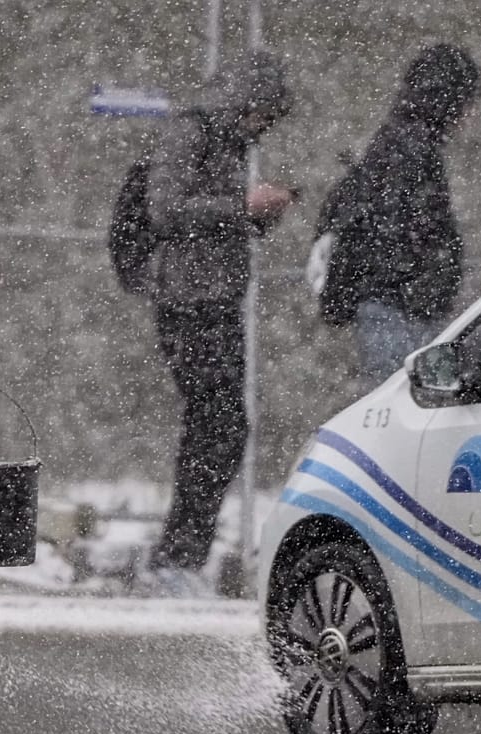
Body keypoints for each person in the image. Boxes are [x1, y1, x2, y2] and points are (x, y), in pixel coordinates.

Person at [140, 51, 295, 595]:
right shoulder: (192, 132)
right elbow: (164, 209)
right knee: (220, 425)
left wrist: (255, 216)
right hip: (190, 303)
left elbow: (203, 217)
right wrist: (241, 205)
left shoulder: (224, 143)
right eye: (260, 116)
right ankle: (176, 558)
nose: (261, 129)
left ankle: (180, 554)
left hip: (214, 300)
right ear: (243, 103)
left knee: (219, 427)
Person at [316, 43, 481, 386]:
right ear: (448, 101)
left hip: (396, 307)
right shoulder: (410, 150)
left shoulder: (399, 142)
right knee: (404, 404)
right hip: (401, 313)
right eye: (467, 103)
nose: (470, 115)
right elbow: (396, 235)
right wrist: (428, 284)